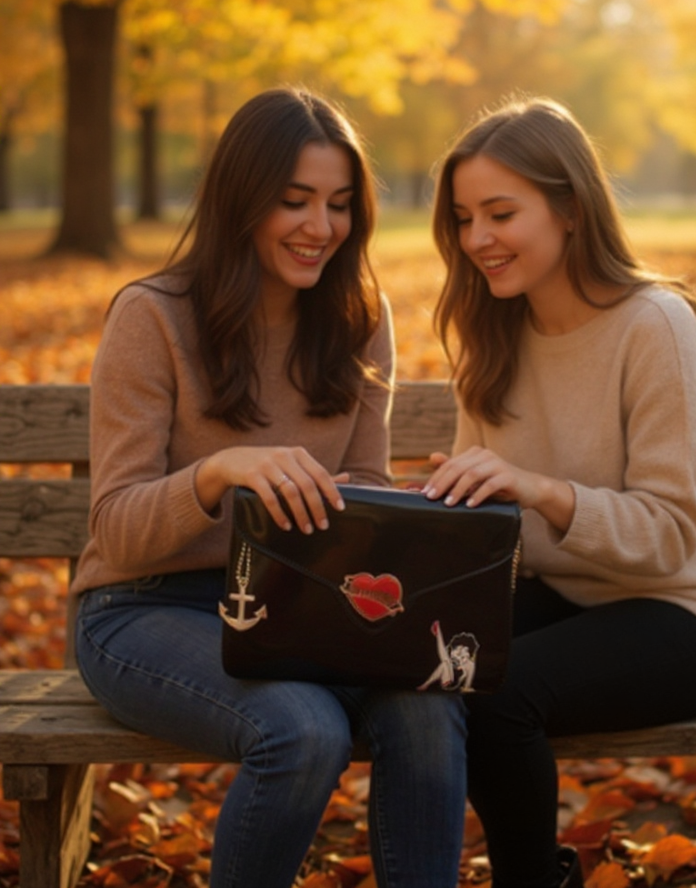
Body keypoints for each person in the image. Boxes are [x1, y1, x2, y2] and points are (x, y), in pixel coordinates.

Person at [73, 88, 467, 888]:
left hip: (301, 607)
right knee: (304, 729)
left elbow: (365, 485)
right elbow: (115, 528)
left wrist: (389, 514)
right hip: (143, 607)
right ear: (241, 199)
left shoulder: (359, 316)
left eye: (339, 204)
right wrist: (220, 474)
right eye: (294, 202)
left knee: (430, 707)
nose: (320, 228)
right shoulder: (152, 318)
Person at [423, 95, 696, 888]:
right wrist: (444, 505)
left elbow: (670, 534)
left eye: (500, 213)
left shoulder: (655, 326)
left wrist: (541, 490)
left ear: (571, 208)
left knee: (498, 698)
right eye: (465, 218)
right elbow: (491, 520)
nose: (477, 240)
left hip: (692, 611)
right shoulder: (493, 332)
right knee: (418, 656)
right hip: (572, 595)